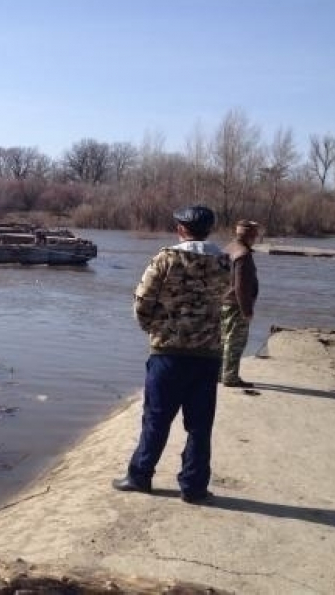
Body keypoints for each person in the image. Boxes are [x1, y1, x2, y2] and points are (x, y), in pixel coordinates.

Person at [112, 205, 230, 503]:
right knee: (200, 425)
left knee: (156, 418)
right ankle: (194, 487)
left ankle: (140, 476)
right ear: (209, 230)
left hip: (168, 353)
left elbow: (142, 302)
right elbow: (227, 301)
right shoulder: (225, 262)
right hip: (208, 354)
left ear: (180, 229)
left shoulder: (166, 258)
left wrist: (153, 329)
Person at [220, 220, 261, 388]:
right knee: (235, 342)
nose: (257, 238)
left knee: (223, 340)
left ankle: (220, 374)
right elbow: (241, 286)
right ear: (250, 236)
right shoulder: (243, 255)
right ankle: (230, 377)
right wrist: (247, 311)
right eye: (255, 235)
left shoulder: (228, 248)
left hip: (223, 303)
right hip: (235, 305)